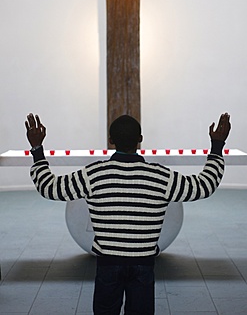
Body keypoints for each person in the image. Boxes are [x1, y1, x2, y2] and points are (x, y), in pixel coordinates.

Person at [25, 112, 231, 315]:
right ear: (140, 140)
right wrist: (217, 146)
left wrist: (37, 149)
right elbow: (204, 186)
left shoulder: (94, 174)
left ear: (111, 140)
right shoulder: (160, 176)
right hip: (143, 263)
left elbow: (49, 187)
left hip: (108, 263)